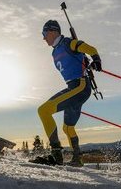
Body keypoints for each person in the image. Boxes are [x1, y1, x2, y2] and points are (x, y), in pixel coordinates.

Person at [33, 20, 102, 167]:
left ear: (53, 31)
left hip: (79, 86)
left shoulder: (67, 43)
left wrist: (96, 58)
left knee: (44, 110)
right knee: (68, 127)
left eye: (44, 34)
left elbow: (87, 47)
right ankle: (77, 159)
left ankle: (56, 155)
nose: (43, 38)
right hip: (76, 87)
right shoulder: (54, 52)